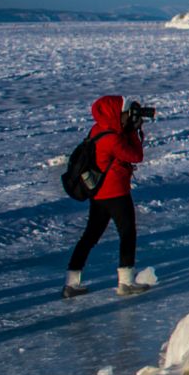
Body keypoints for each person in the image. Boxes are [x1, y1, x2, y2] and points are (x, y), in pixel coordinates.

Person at [62, 96, 152, 299]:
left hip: (99, 194)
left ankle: (71, 282)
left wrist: (128, 128)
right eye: (126, 112)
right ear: (115, 113)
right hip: (116, 193)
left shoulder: (98, 129)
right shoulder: (113, 139)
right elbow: (136, 156)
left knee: (90, 236)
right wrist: (135, 133)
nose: (128, 116)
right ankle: (126, 282)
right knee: (127, 234)